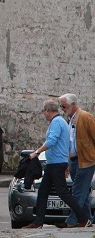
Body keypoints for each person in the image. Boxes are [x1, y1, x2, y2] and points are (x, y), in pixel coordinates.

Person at [26, 99, 86, 229]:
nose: (44, 114)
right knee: (43, 192)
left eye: (44, 111)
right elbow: (68, 144)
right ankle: (38, 222)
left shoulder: (56, 122)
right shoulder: (62, 122)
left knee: (63, 193)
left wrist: (36, 152)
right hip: (56, 162)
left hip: (56, 163)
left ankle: (83, 218)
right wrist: (67, 163)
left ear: (47, 111)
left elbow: (51, 141)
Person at [59, 94, 95, 228]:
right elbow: (71, 143)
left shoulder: (85, 117)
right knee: (83, 192)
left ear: (73, 104)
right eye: (61, 106)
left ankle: (72, 220)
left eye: (64, 106)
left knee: (78, 191)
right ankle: (86, 219)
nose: (62, 109)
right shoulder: (70, 119)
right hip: (74, 160)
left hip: (86, 160)